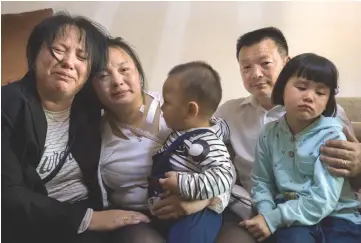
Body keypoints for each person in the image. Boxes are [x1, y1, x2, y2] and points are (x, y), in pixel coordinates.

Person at [2, 13, 149, 243]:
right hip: (35, 221)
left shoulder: (88, 101)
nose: (69, 62)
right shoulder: (8, 106)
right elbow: (7, 193)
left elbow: (131, 97)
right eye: (58, 50)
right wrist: (89, 219)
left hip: (91, 207)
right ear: (34, 54)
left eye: (82, 56)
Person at [214, 27, 361, 242]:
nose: (255, 74)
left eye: (265, 63)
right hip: (267, 210)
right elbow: (259, 179)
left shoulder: (330, 119)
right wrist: (267, 215)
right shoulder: (229, 112)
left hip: (333, 213)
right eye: (246, 67)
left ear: (286, 64)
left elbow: (337, 181)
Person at [93, 37, 231, 243]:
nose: (117, 81)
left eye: (124, 70)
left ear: (138, 73)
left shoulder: (179, 110)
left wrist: (201, 202)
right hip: (138, 219)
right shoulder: (94, 133)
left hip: (197, 205)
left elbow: (223, 168)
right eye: (104, 75)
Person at [148, 61, 236, 243]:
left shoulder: (204, 143)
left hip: (198, 216)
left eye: (167, 102)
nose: (161, 108)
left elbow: (224, 176)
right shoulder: (183, 131)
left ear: (190, 110)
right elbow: (219, 126)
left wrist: (182, 183)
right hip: (171, 214)